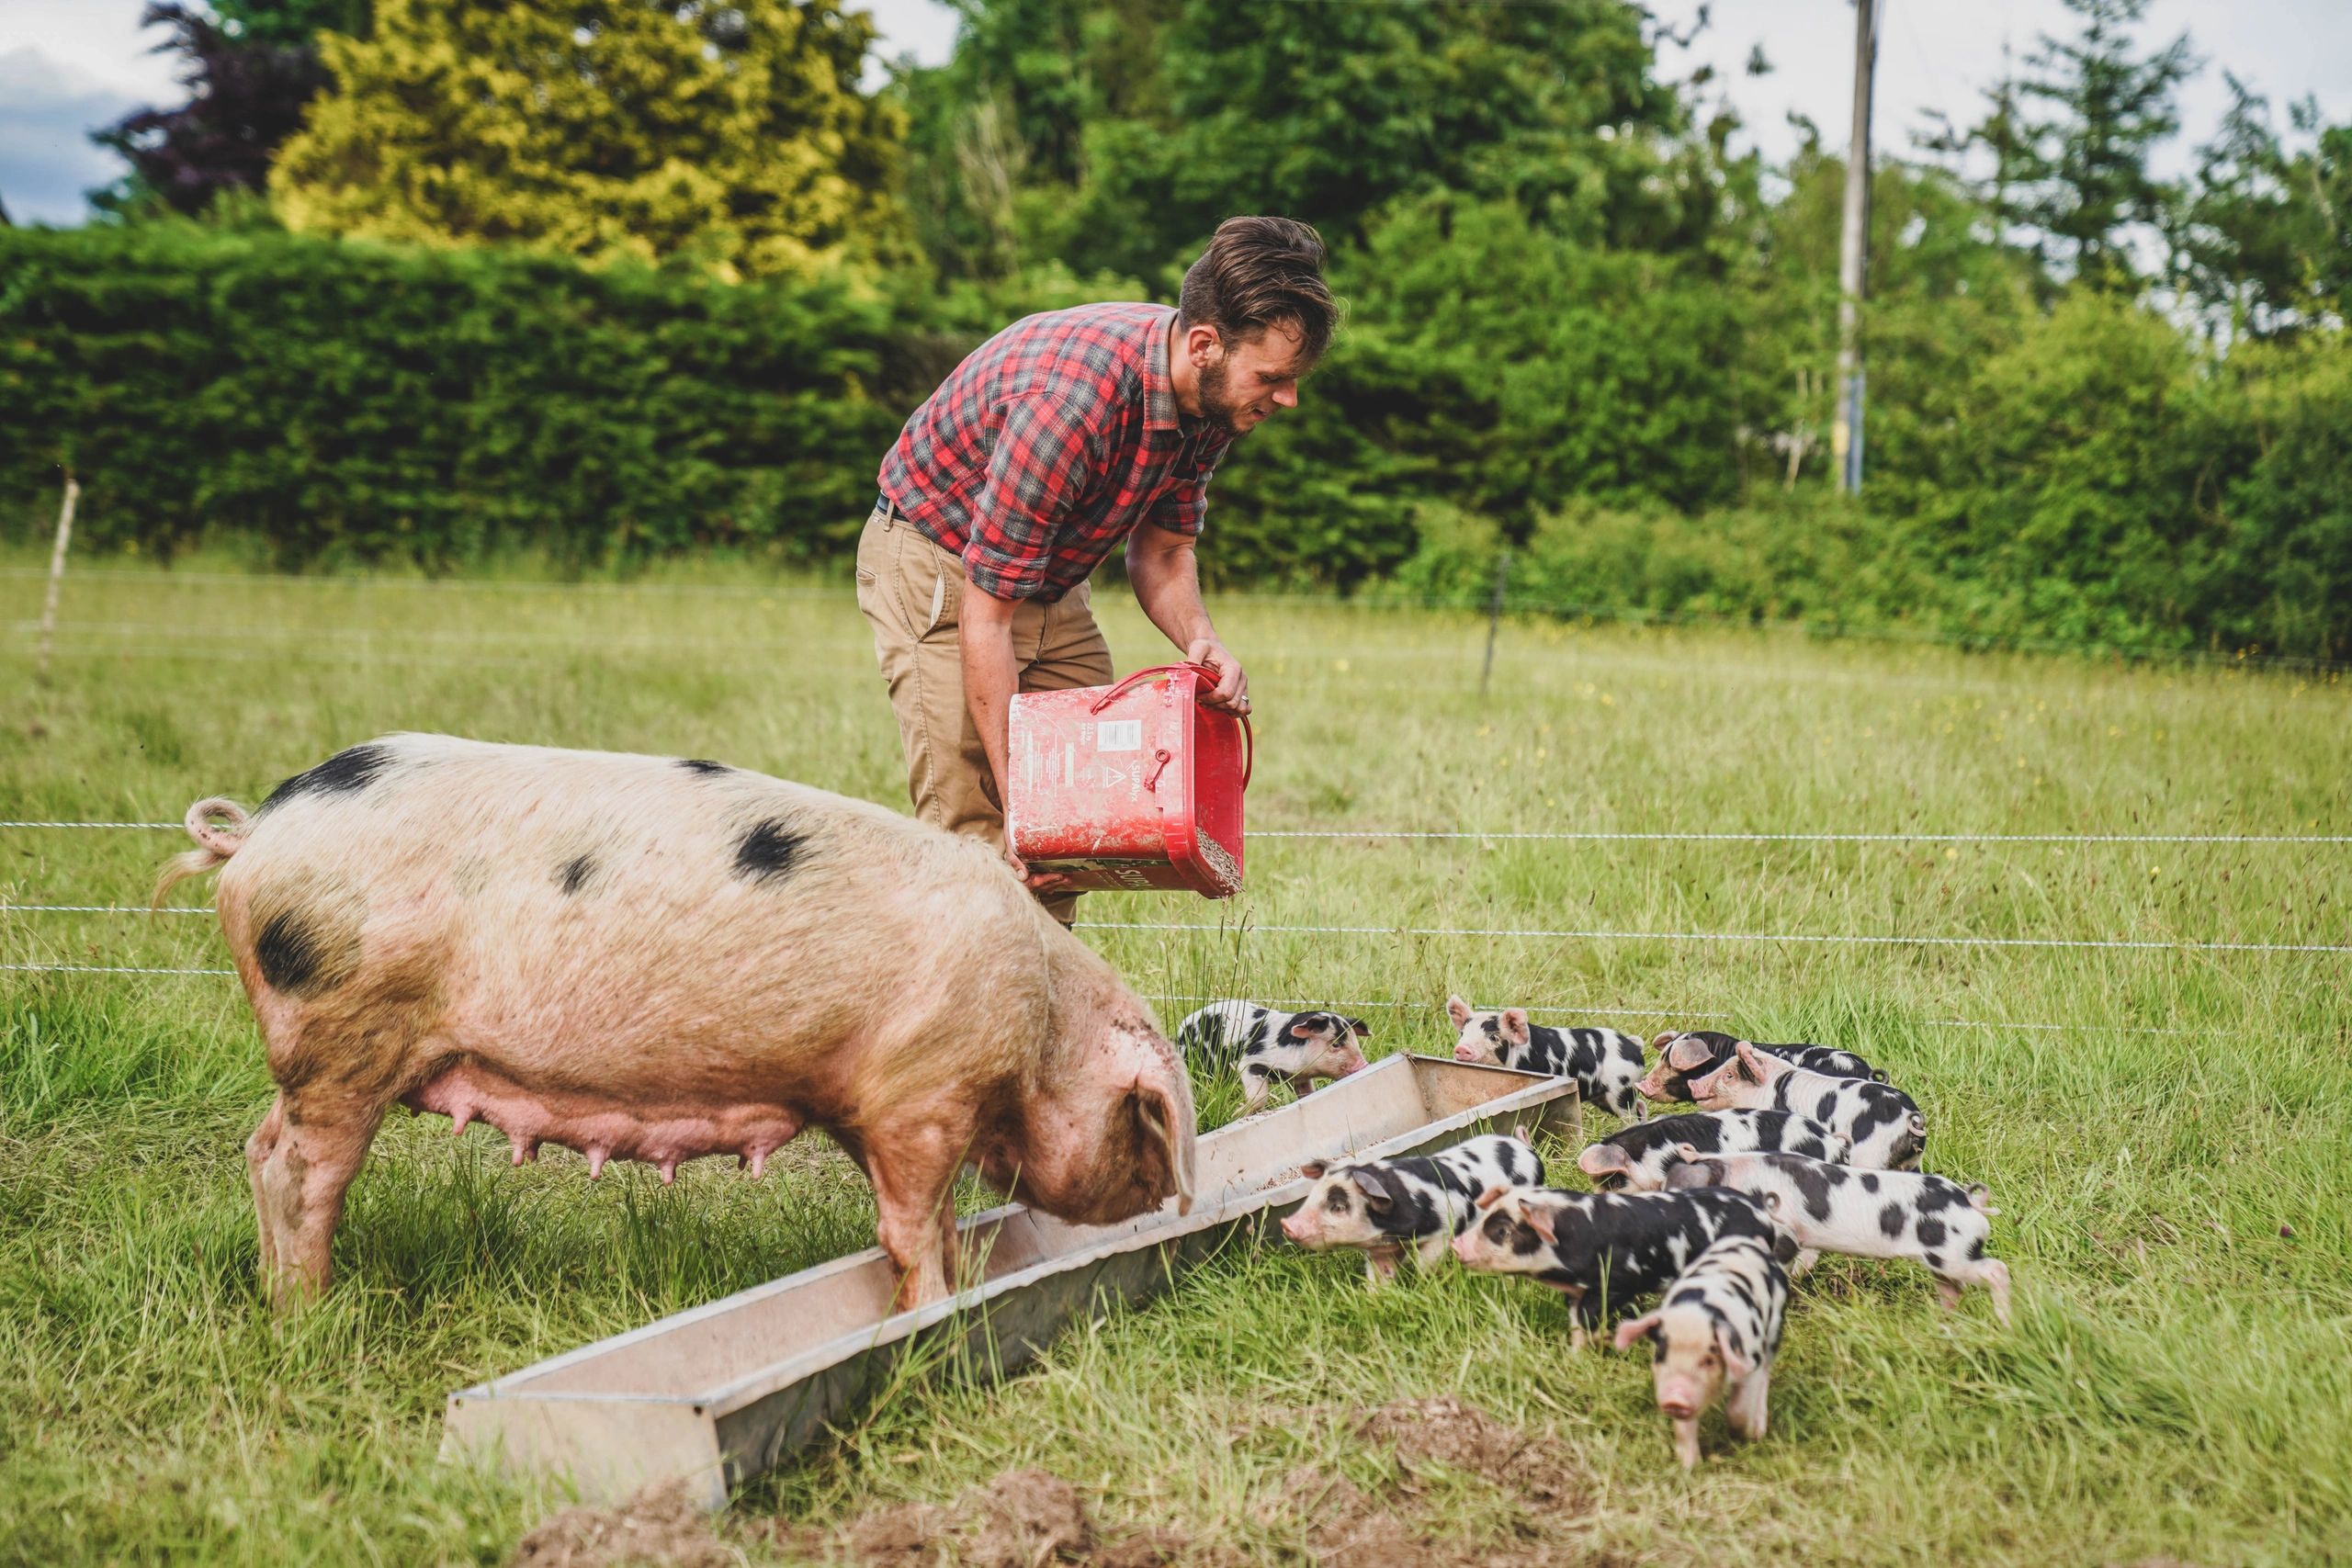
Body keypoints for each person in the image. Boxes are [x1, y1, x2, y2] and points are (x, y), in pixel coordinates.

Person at [856, 215, 1338, 923]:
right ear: (1204, 345)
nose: (1288, 397)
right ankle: (953, 988)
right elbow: (987, 618)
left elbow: (1163, 550)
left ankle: (1041, 991)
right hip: (943, 563)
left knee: (1076, 818)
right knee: (984, 829)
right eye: (1272, 378)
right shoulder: (1069, 406)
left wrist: (1201, 640)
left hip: (1046, 571)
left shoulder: (1210, 400)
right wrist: (1020, 803)